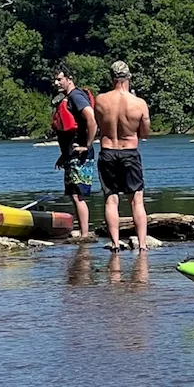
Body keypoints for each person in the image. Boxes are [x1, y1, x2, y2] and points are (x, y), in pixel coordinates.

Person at [93, 60, 151, 252]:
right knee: (136, 199)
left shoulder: (100, 100)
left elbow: (99, 126)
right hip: (129, 151)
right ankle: (142, 244)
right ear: (129, 77)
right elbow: (144, 133)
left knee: (111, 199)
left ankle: (116, 243)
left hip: (108, 151)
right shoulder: (139, 103)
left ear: (112, 78)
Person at [52, 67, 96, 238]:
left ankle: (85, 235)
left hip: (80, 156)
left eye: (59, 79)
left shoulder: (76, 97)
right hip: (72, 155)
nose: (56, 83)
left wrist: (87, 145)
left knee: (78, 195)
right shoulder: (69, 98)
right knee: (74, 194)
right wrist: (64, 155)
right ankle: (83, 232)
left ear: (69, 79)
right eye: (55, 80)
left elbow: (91, 118)